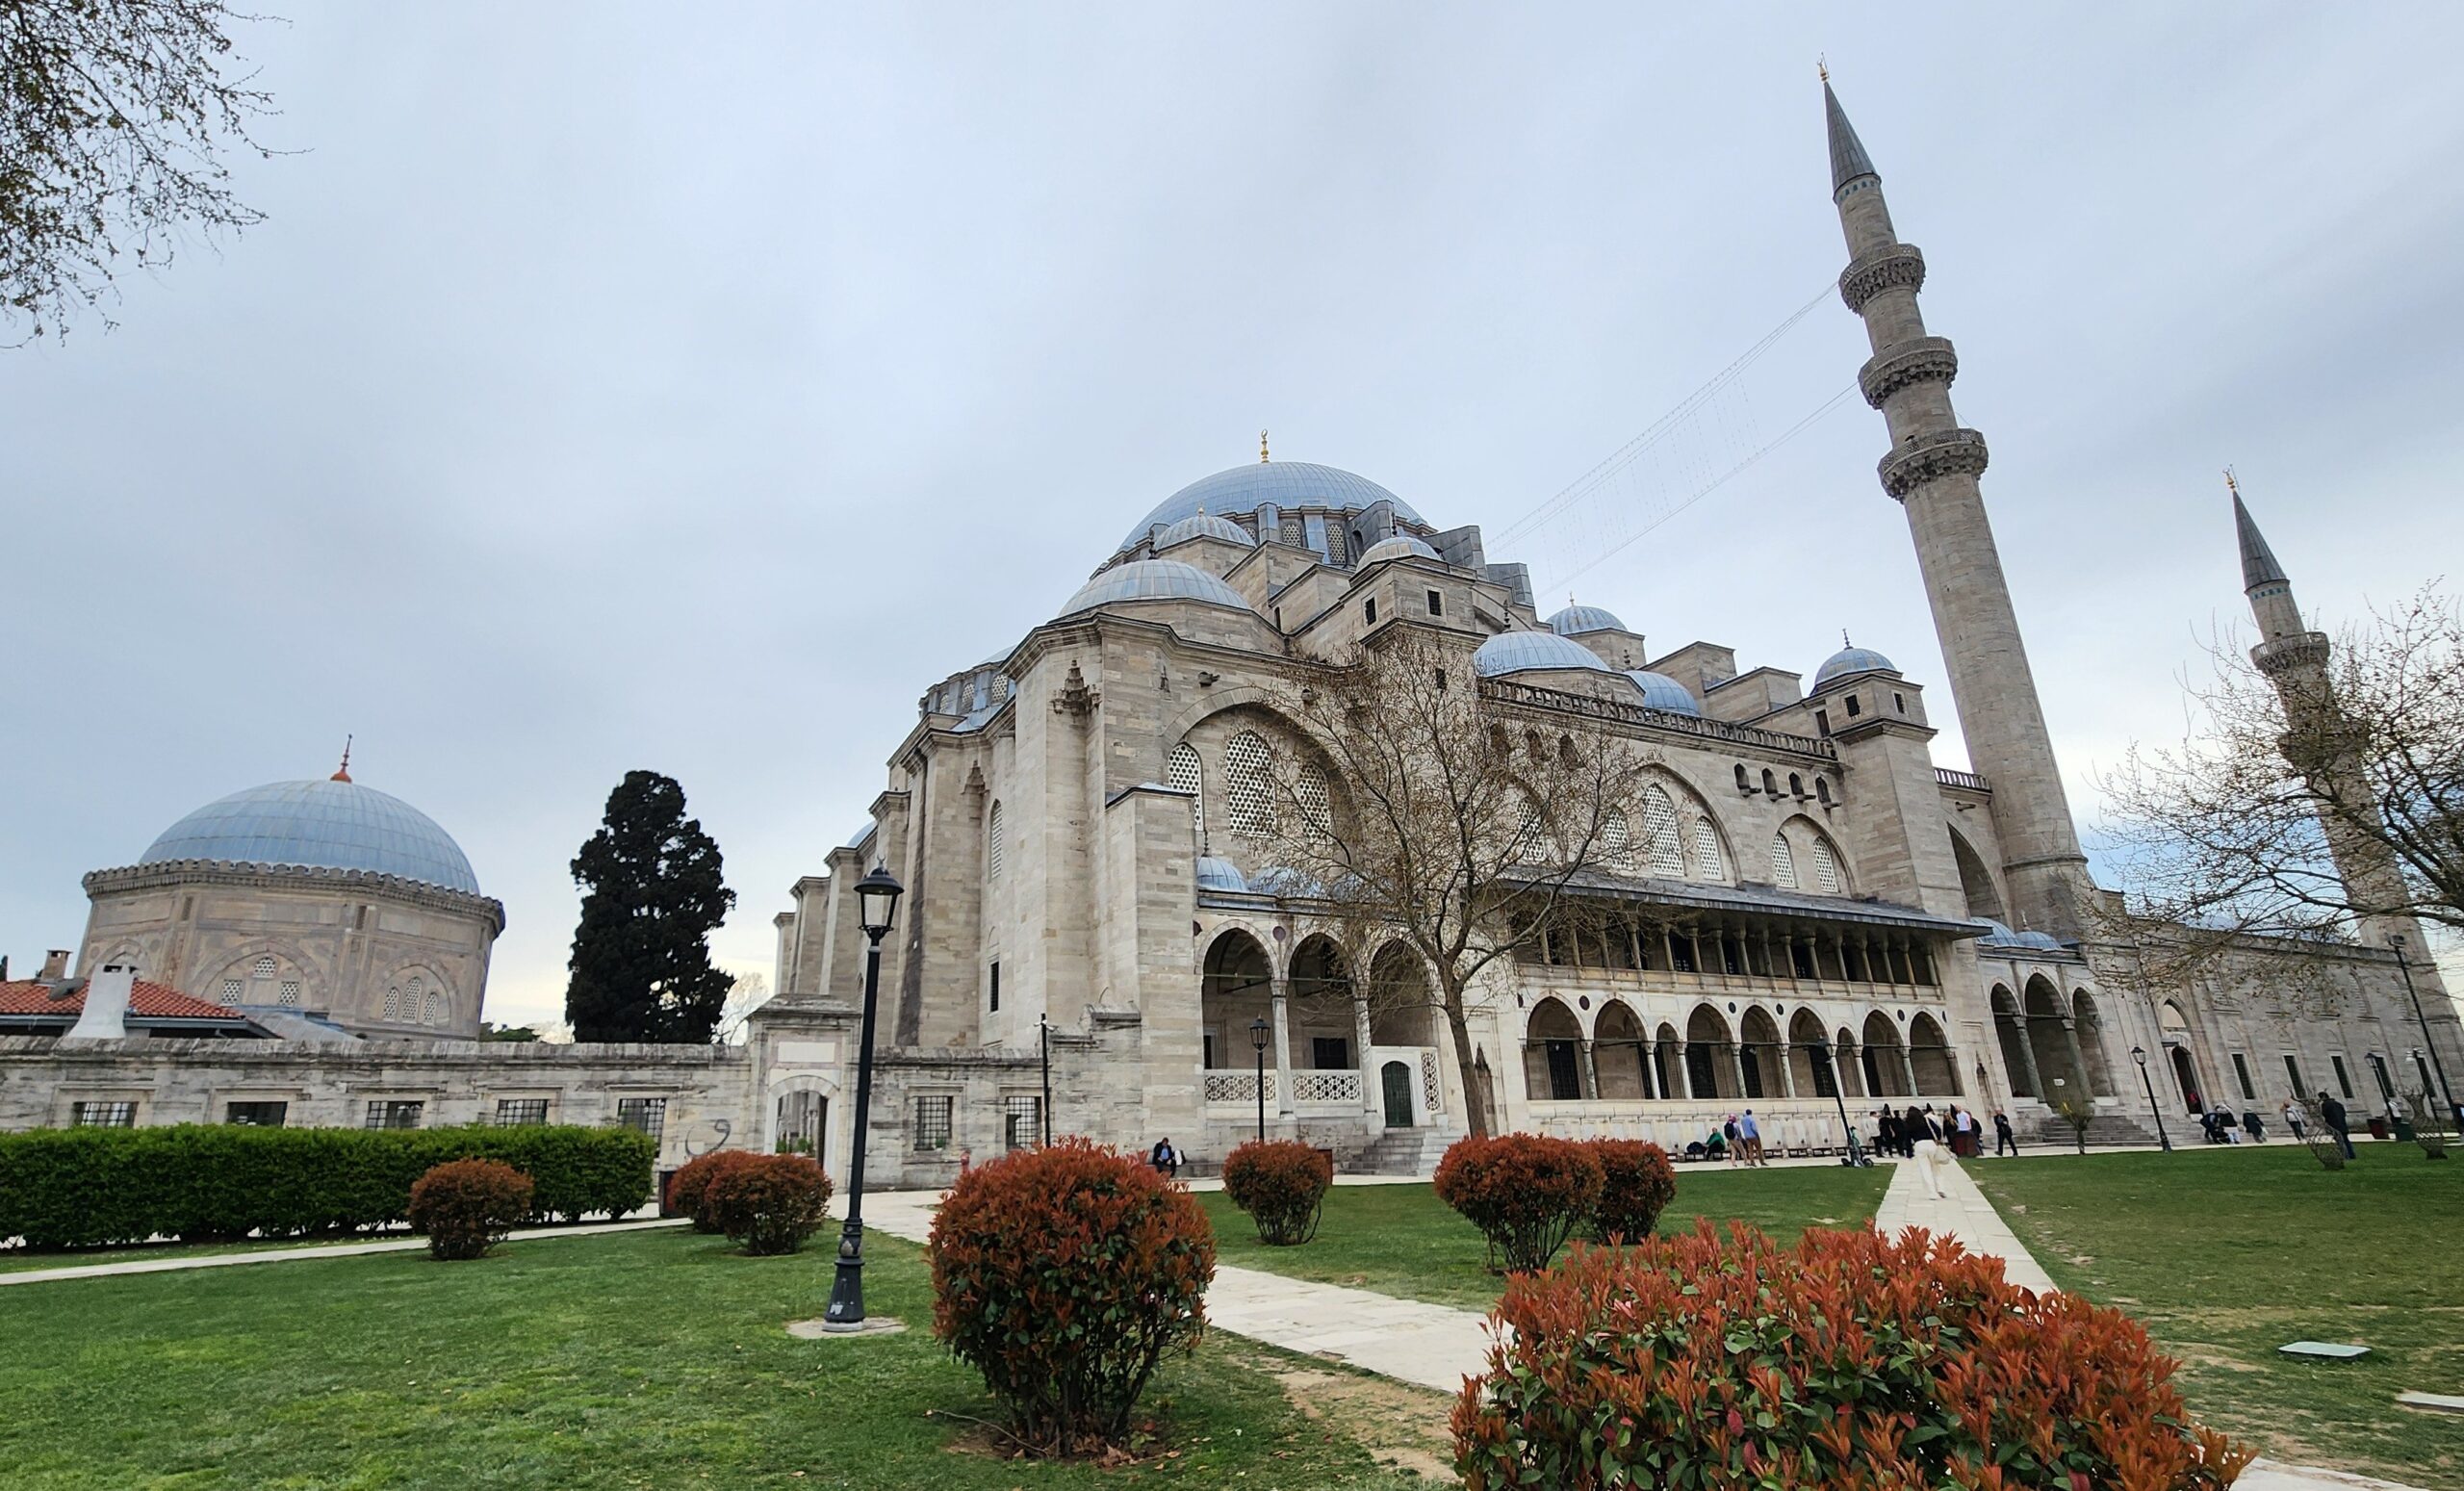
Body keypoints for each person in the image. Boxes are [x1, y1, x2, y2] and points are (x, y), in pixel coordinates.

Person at [1910, 1131, 1950, 1199]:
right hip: (1931, 1144)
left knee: (1925, 1170)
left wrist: (1909, 1153)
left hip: (1919, 1145)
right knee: (1936, 1169)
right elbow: (1937, 1129)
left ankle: (1932, 1192)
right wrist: (1937, 1139)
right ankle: (1941, 1189)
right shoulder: (1927, 1123)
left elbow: (1908, 1137)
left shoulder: (1910, 1124)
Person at [2320, 1092, 2354, 1160]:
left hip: (2334, 1125)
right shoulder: (2338, 1104)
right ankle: (2351, 1154)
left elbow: (2325, 1114)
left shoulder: (2325, 1105)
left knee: (2340, 1141)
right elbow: (2344, 1114)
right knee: (2346, 1140)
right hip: (2343, 1124)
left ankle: (2345, 1155)